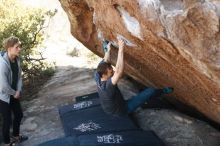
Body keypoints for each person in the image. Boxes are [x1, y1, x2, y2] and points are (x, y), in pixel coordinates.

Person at [94, 39, 173, 116]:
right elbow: (118, 72)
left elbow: (105, 62)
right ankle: (163, 91)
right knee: (150, 91)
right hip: (122, 109)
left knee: (105, 61)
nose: (113, 72)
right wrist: (121, 48)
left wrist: (108, 50)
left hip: (110, 106)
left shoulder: (98, 75)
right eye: (111, 72)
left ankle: (106, 50)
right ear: (103, 75)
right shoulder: (107, 87)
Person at [0, 36, 28, 146]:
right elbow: (3, 86)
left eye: (19, 46)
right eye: (17, 47)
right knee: (7, 121)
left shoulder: (17, 59)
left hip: (14, 93)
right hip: (3, 96)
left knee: (19, 114)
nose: (19, 49)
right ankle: (7, 143)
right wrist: (14, 93)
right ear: (9, 48)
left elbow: (19, 77)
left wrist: (19, 90)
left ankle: (16, 136)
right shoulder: (2, 64)